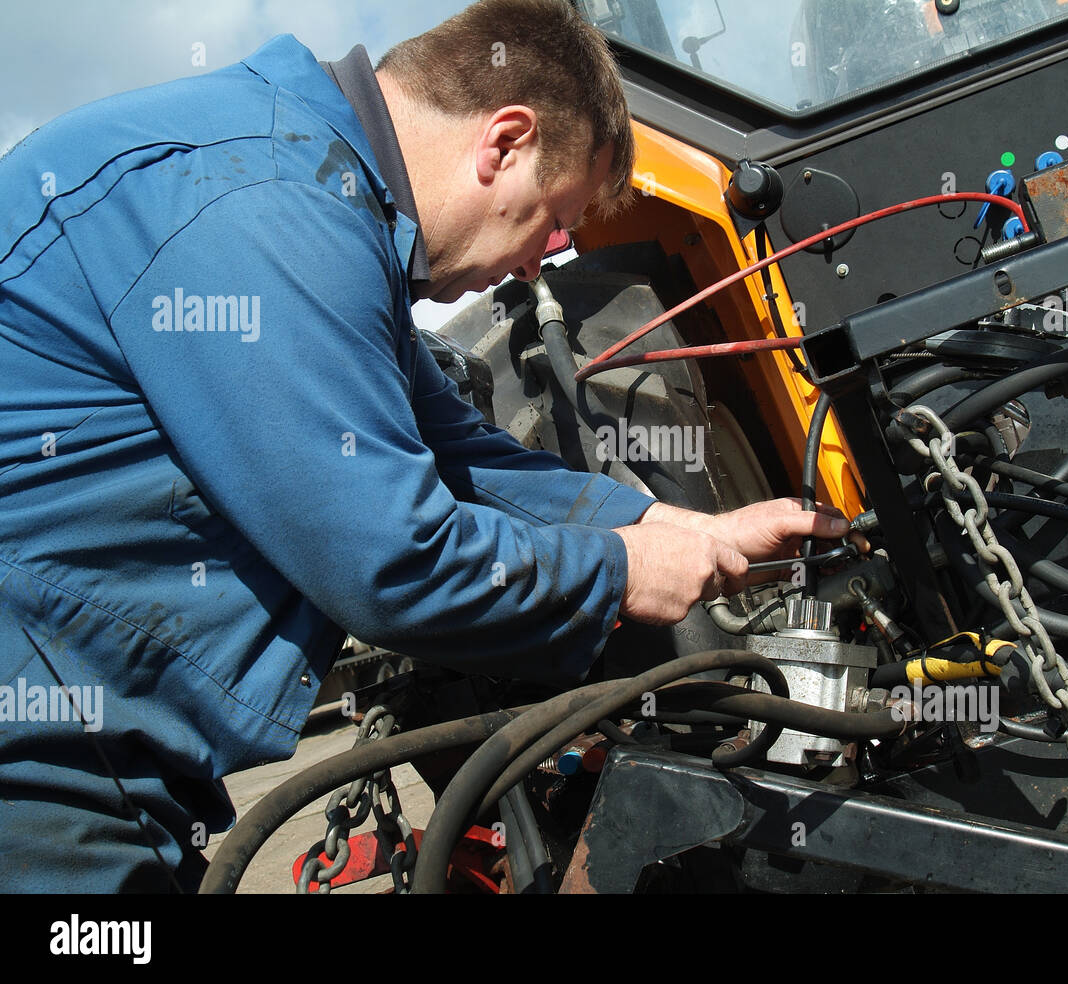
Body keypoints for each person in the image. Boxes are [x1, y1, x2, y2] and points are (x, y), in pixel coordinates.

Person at [0, 0, 849, 892]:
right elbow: (388, 557)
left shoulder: (321, 191)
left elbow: (468, 462)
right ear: (505, 143)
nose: (539, 262)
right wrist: (622, 573)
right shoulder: (263, 201)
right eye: (552, 219)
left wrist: (680, 529)